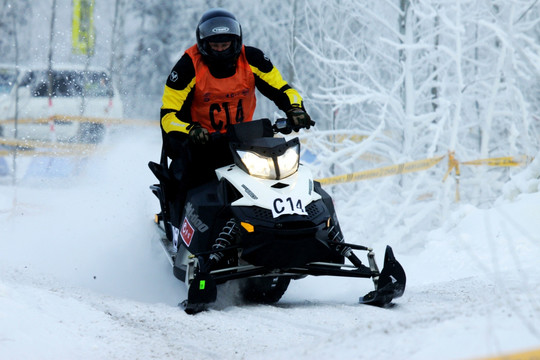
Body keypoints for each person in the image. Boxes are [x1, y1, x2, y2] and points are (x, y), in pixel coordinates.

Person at [158, 8, 312, 245]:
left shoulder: (252, 59)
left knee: (283, 174)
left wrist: (295, 109)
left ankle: (289, 232)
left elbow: (283, 89)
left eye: (226, 44)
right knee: (192, 180)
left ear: (236, 42)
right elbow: (168, 114)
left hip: (244, 140)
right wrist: (191, 130)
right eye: (215, 45)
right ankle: (180, 233)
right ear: (203, 44)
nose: (221, 49)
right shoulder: (188, 66)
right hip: (203, 143)